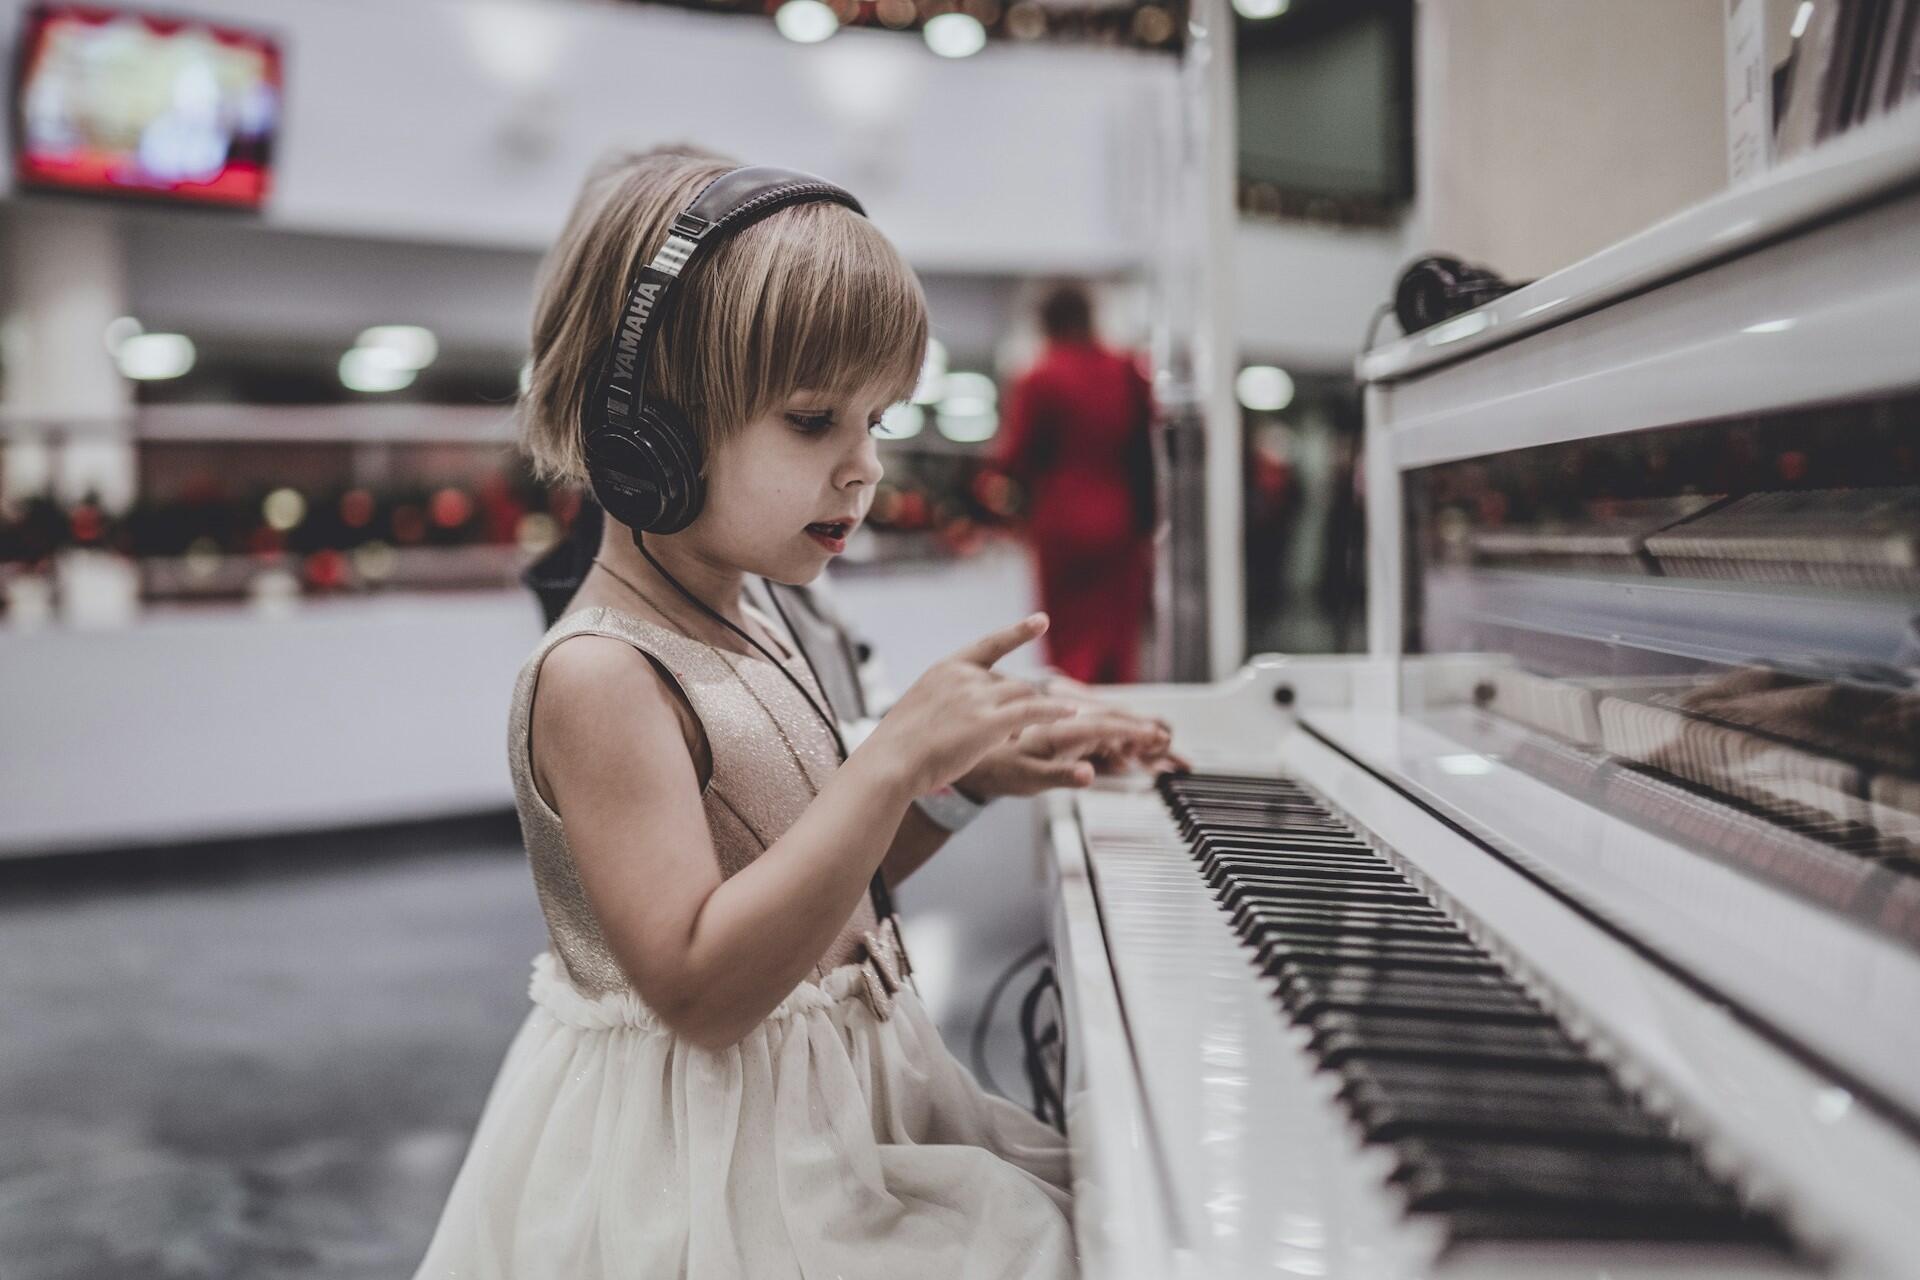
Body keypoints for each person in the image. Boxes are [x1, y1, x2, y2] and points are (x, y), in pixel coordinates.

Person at [413, 148, 1180, 1279]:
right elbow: (701, 984)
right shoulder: (600, 675)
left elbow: (815, 892)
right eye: (815, 420)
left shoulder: (757, 610)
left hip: (829, 1118)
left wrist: (965, 780)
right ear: (648, 434)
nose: (863, 468)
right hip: (718, 1178)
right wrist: (889, 760)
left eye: (875, 420)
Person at [996, 283, 1156, 684]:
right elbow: (1146, 450)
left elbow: (1017, 456)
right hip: (1121, 521)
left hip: (1062, 523)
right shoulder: (1126, 369)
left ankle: (1073, 728)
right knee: (1117, 638)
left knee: (1067, 642)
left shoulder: (1041, 376)